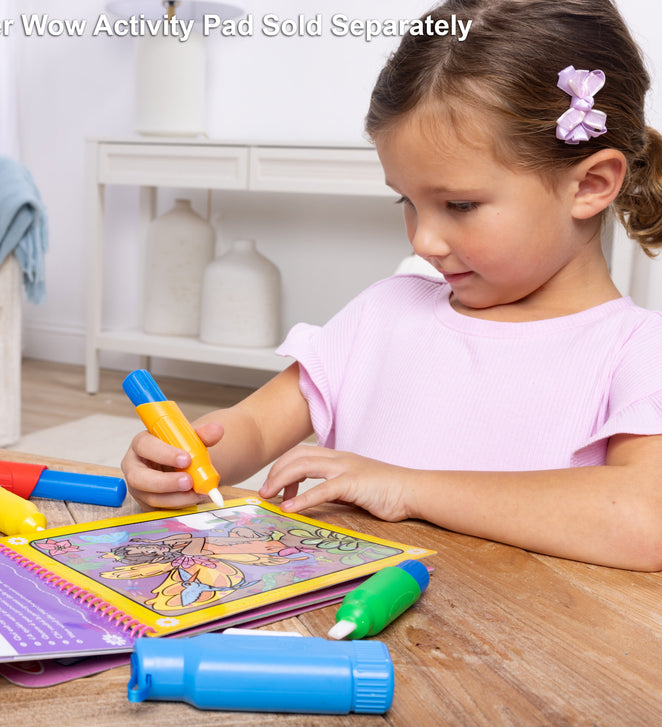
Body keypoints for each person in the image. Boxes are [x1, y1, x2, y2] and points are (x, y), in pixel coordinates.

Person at [122, 0, 662, 571]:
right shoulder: (385, 312)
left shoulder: (635, 351)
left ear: (591, 184)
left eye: (460, 204)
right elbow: (254, 426)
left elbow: (645, 519)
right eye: (407, 200)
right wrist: (182, 460)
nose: (423, 241)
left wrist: (405, 487)